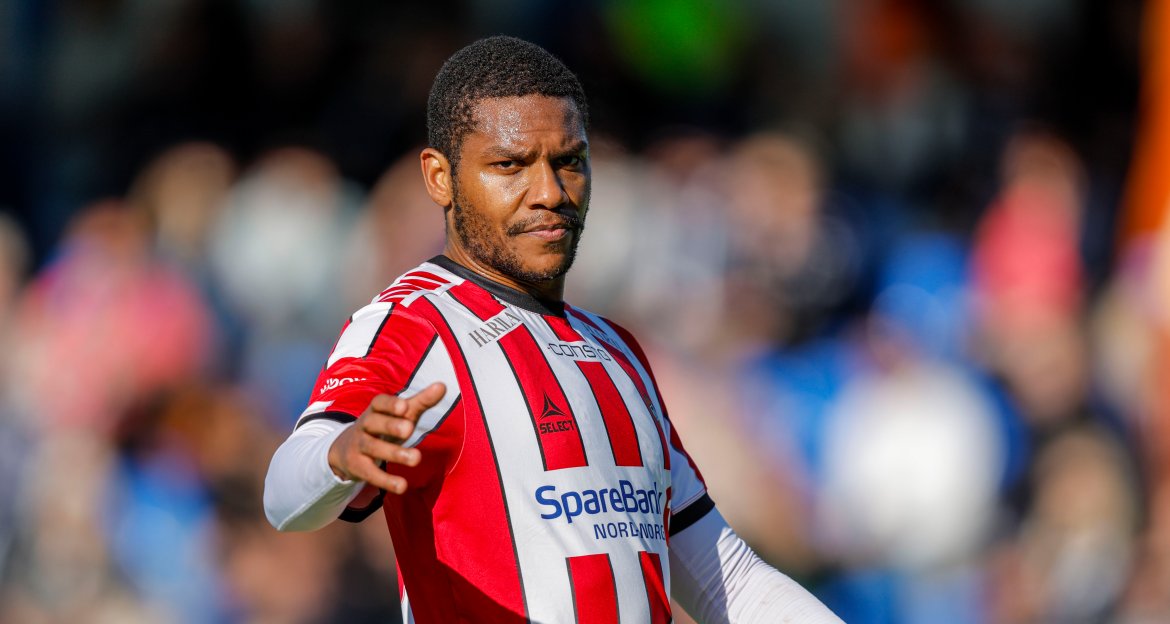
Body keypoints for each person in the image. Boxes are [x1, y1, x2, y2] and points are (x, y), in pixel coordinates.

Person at [264, 35, 842, 624]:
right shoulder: (413, 324)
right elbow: (284, 494)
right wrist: (340, 454)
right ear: (440, 177)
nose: (550, 193)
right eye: (509, 165)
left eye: (569, 161)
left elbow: (731, 582)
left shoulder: (618, 352)